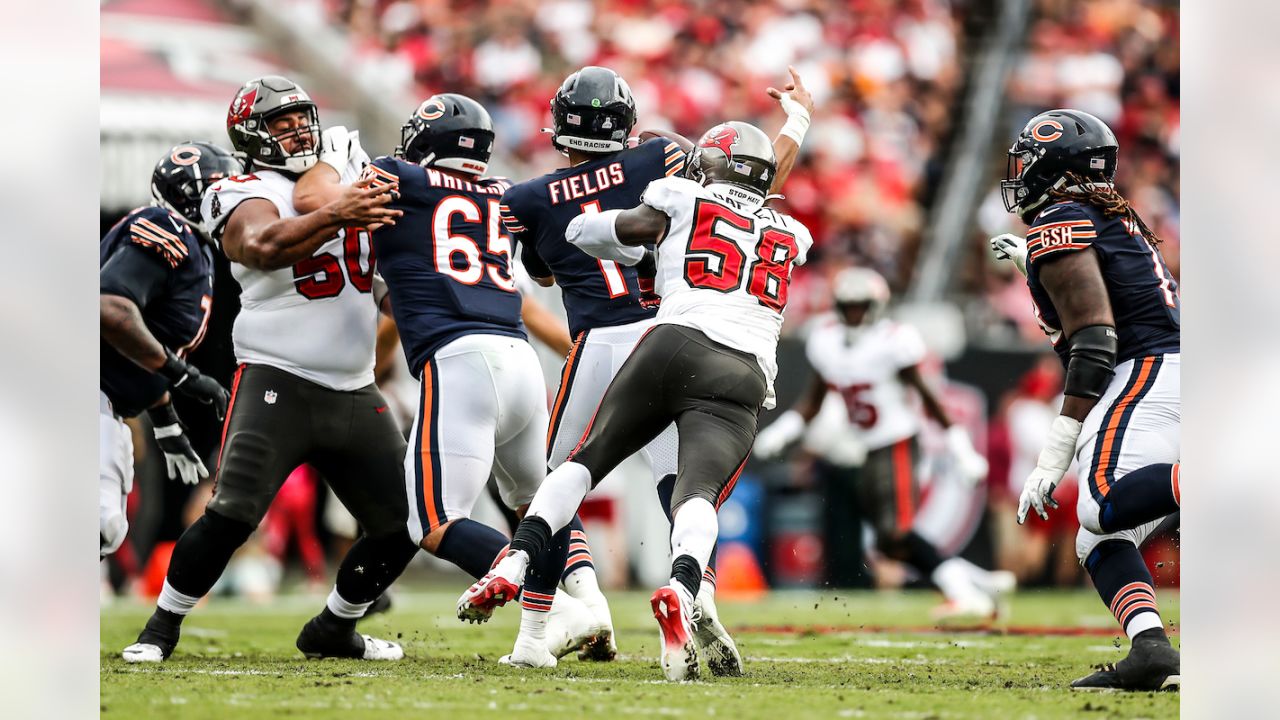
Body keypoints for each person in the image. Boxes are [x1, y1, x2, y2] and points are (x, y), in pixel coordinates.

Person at [462, 120, 813, 681]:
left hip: (668, 341)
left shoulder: (679, 192)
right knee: (695, 493)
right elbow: (750, 193)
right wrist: (797, 119)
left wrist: (602, 230)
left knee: (580, 462)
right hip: (746, 368)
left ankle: (520, 560)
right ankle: (686, 588)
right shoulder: (794, 233)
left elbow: (589, 232)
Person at [123, 75, 417, 664]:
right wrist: (338, 213)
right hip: (277, 377)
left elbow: (372, 279)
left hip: (356, 386)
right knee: (232, 513)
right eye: (280, 122)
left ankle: (335, 627)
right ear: (250, 136)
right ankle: (160, 628)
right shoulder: (238, 188)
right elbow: (261, 245)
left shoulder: (339, 175)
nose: (297, 130)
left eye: (301, 117)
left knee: (402, 524)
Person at [354, 93, 611, 668]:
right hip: (518, 358)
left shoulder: (398, 178)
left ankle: (567, 616)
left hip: (460, 360)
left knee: (432, 519)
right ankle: (564, 621)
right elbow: (516, 293)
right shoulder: (504, 196)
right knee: (536, 506)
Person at [990, 108, 1180, 690]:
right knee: (1098, 539)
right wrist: (1037, 275)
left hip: (1147, 372)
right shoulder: (1102, 215)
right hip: (1174, 371)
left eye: (1027, 162)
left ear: (1054, 166)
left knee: (1097, 504)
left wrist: (1054, 454)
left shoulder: (1061, 219)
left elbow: (1095, 342)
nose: (1020, 175)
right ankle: (1151, 650)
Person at [753, 267, 1012, 620]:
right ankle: (978, 583)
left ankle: (965, 594)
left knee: (897, 532)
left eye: (862, 305)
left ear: (877, 305)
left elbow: (930, 398)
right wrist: (783, 432)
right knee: (889, 543)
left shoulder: (893, 340)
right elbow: (813, 402)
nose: (855, 313)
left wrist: (962, 448)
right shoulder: (826, 340)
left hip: (898, 442)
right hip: (868, 450)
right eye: (849, 305)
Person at [100, 142, 240, 559]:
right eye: (223, 191)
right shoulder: (167, 227)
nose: (234, 202)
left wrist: (165, 421)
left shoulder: (197, 251)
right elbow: (111, 308)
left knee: (105, 526)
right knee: (98, 522)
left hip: (107, 400)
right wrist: (184, 375)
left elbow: (144, 340)